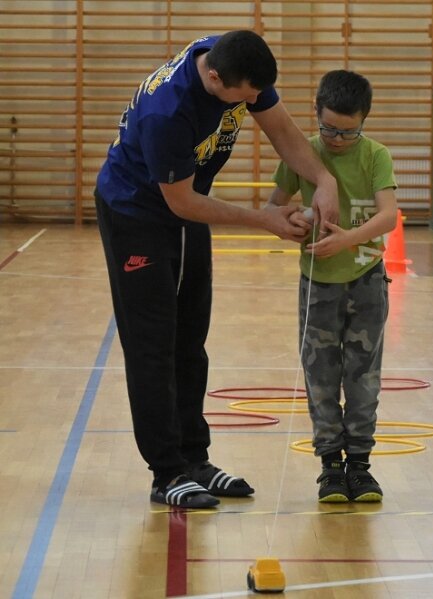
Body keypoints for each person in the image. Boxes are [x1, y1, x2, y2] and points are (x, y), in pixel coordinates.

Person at [94, 30, 338, 509]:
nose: (251, 102)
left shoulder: (234, 60)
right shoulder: (169, 112)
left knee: (190, 340)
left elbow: (282, 130)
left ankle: (194, 458)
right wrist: (263, 219)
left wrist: (323, 178)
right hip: (137, 215)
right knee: (152, 347)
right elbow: (181, 201)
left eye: (255, 94)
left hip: (184, 212)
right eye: (243, 95)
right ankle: (166, 472)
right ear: (213, 77)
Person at [266, 70, 398, 502]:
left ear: (365, 121)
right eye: (328, 128)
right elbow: (275, 209)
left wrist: (347, 239)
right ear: (315, 115)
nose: (337, 139)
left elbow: (388, 216)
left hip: (367, 283)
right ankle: (330, 467)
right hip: (317, 285)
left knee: (363, 376)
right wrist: (295, 222)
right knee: (320, 375)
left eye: (348, 131)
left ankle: (360, 465)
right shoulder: (301, 156)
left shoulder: (376, 155)